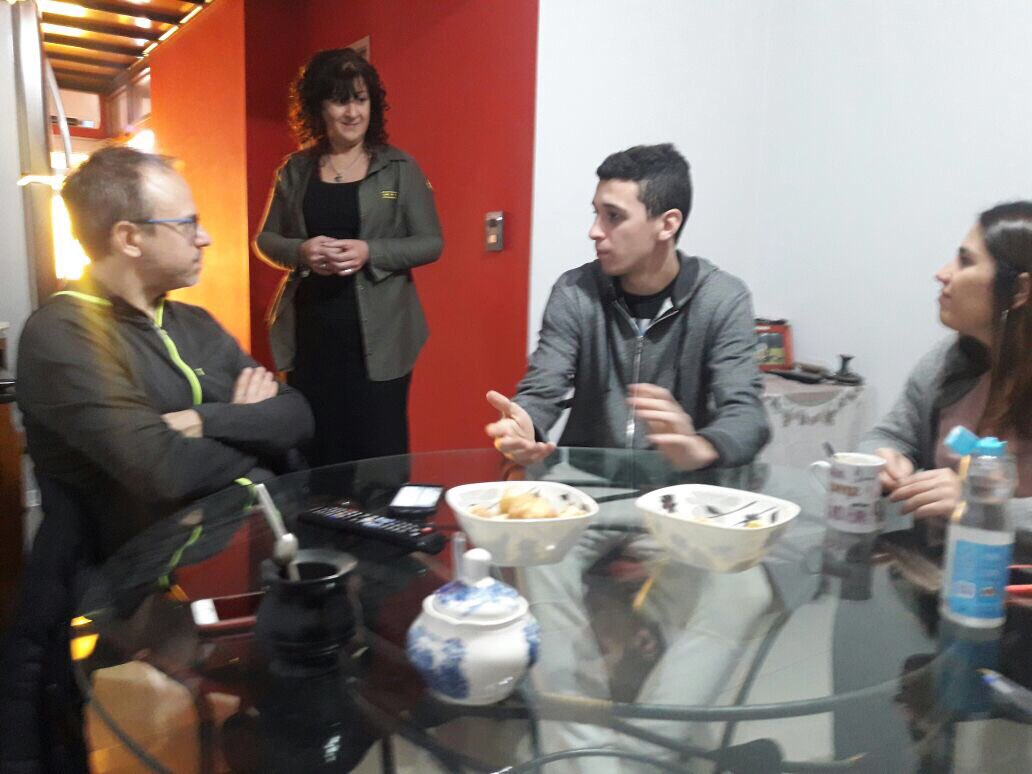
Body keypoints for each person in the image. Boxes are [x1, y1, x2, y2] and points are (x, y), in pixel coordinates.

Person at [1, 146, 313, 771]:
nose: (205, 237)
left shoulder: (192, 322)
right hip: (120, 595)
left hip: (225, 557)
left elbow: (298, 415)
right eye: (186, 224)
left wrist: (204, 420)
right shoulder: (61, 336)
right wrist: (251, 438)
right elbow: (158, 469)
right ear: (129, 237)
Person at [486, 142, 769, 470]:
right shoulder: (575, 292)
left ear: (667, 224)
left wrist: (701, 447)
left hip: (683, 495)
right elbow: (543, 386)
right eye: (596, 214)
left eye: (614, 217)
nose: (594, 231)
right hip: (585, 488)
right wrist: (525, 429)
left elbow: (747, 414)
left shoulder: (722, 298)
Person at [255, 48, 443, 466]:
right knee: (316, 448)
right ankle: (321, 527)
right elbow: (266, 240)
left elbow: (430, 242)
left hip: (381, 337)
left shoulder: (399, 168)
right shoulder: (295, 169)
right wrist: (301, 252)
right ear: (318, 105)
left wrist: (369, 251)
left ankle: (382, 528)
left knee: (380, 450)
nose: (353, 111)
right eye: (341, 100)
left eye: (361, 99)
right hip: (311, 334)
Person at [861, 202, 1032, 528]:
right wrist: (883, 458)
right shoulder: (949, 359)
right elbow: (889, 436)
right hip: (937, 565)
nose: (942, 274)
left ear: (1020, 290)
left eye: (965, 262)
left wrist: (979, 506)